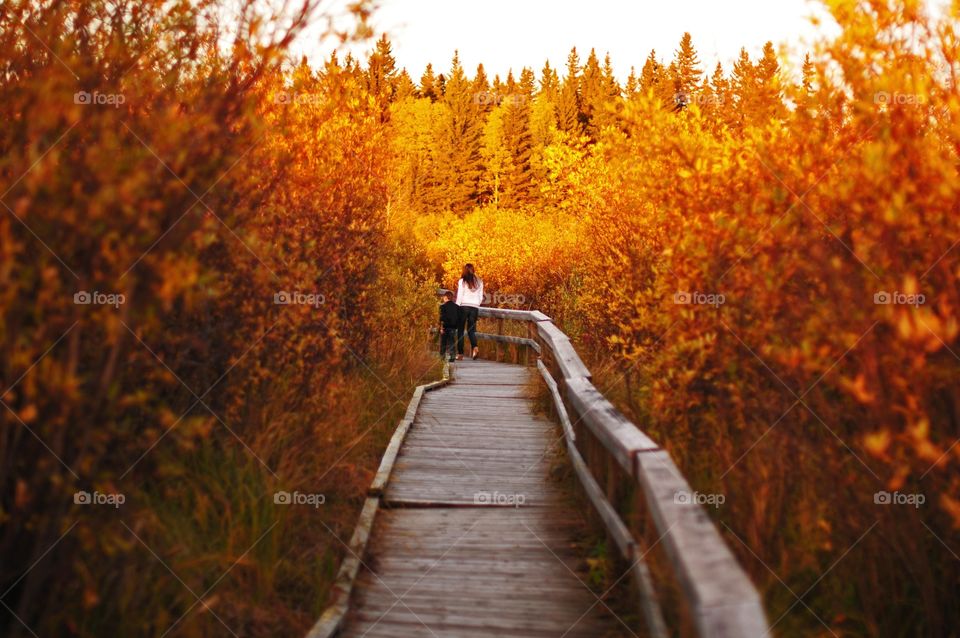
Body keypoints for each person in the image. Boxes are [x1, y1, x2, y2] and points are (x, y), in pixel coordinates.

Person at [455, 263, 483, 360]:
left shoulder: (462, 281)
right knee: (471, 330)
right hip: (474, 308)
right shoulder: (479, 282)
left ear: (464, 271)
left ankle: (460, 354)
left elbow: (459, 296)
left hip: (463, 307)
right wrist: (477, 304)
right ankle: (475, 347)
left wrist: (456, 307)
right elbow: (480, 296)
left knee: (460, 330)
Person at [438, 291, 459, 362]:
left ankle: (442, 356)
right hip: (453, 327)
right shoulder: (457, 307)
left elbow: (441, 318)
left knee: (443, 342)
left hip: (445, 327)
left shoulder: (442, 307)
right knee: (451, 341)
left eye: (444, 297)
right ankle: (452, 356)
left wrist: (440, 327)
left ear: (446, 297)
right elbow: (458, 317)